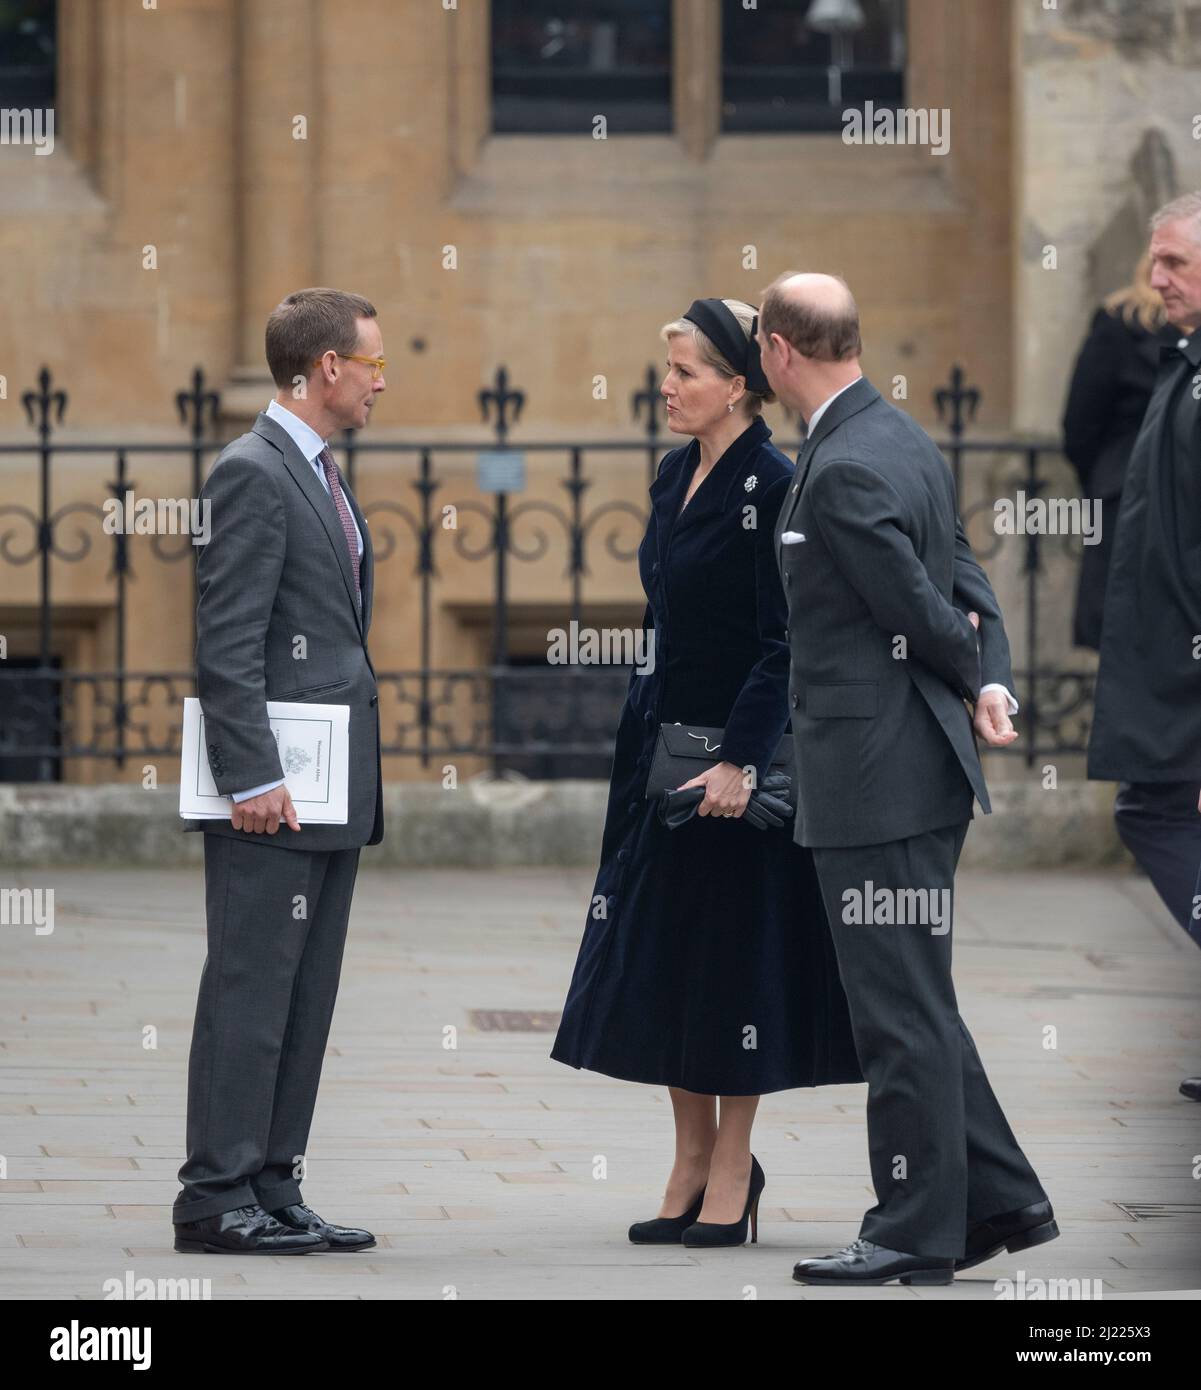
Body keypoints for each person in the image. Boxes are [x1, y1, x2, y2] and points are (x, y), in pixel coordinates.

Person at [756, 272, 1056, 1286]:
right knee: (917, 998)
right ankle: (1000, 1198)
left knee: (894, 1011)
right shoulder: (900, 437)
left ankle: (909, 1228)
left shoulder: (842, 465)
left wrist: (975, 676)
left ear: (777, 351)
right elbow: (970, 584)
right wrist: (992, 683)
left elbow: (923, 608)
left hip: (876, 776)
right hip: (913, 765)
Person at [551, 297, 863, 1249]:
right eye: (668, 369)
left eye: (686, 371)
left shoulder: (774, 485)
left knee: (734, 967)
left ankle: (734, 1165)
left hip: (735, 765)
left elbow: (785, 643)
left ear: (740, 382)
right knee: (667, 959)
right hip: (658, 752)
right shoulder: (672, 473)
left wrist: (739, 759)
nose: (668, 386)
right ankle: (687, 1159)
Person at [174, 288, 387, 1253]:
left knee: (303, 996)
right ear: (328, 368)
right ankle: (215, 1198)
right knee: (251, 989)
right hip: (276, 791)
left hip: (329, 786)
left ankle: (273, 1182)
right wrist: (250, 774)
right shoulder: (251, 472)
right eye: (373, 363)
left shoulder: (321, 472)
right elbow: (227, 641)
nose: (383, 380)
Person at [1086, 192, 1201, 1103]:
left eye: (1174, 264)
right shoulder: (1183, 363)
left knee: (1151, 812)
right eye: (1155, 261)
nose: (1154, 278)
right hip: (1163, 657)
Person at [1062, 253, 1181, 650]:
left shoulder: (1118, 324)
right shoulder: (1120, 323)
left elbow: (1080, 427)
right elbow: (1081, 427)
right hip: (1131, 502)